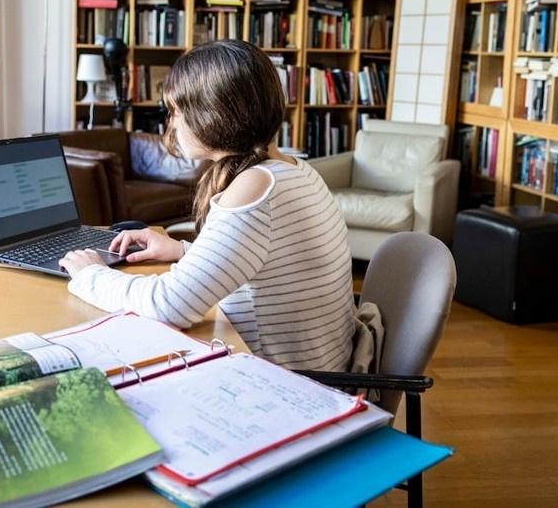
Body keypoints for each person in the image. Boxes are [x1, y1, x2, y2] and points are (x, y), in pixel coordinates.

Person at [60, 39, 355, 371]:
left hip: (290, 382)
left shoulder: (256, 188)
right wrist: (182, 251)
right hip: (325, 365)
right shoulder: (294, 169)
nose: (171, 124)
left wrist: (90, 274)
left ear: (212, 114)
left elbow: (168, 307)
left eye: (176, 111)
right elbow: (263, 261)